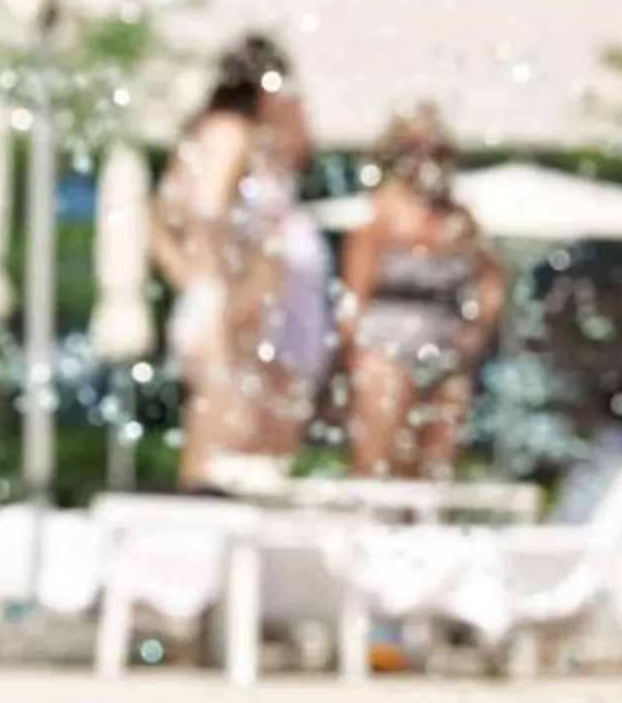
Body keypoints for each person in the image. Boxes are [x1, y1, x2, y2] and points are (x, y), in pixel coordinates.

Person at [150, 34, 331, 491]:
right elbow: (211, 213)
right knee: (225, 442)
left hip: (228, 299)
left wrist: (193, 278)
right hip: (235, 305)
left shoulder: (217, 133)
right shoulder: (231, 133)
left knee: (241, 441)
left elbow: (161, 218)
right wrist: (236, 286)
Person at [336, 108, 506, 481]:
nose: (425, 158)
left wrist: (479, 326)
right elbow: (354, 296)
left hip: (447, 349)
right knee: (379, 456)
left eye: (436, 149)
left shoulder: (461, 218)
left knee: (435, 466)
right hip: (386, 347)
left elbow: (492, 278)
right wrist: (351, 358)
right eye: (414, 148)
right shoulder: (380, 213)